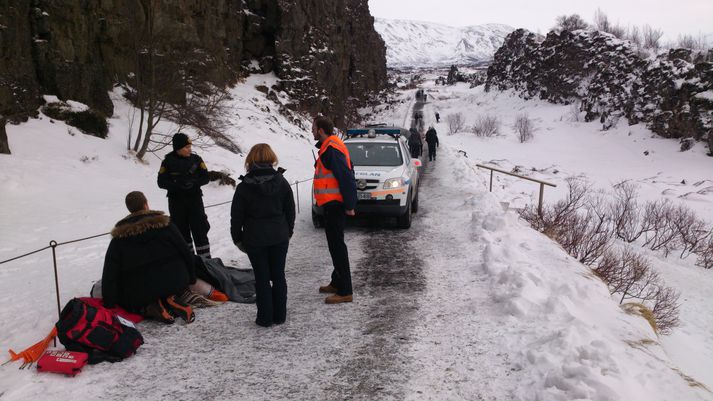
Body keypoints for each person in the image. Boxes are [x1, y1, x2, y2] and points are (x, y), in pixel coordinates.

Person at [102, 191, 195, 324]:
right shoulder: (166, 225)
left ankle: (151, 307)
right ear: (146, 204)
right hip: (176, 281)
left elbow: (109, 273)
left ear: (129, 209)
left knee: (132, 296)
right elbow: (186, 252)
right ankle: (171, 299)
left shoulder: (119, 238)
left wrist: (109, 303)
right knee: (166, 283)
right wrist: (190, 279)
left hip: (141, 291)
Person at [230, 144, 295, 327]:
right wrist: (288, 231)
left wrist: (237, 238)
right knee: (278, 275)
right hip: (279, 235)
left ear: (250, 160)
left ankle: (265, 317)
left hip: (255, 238)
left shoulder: (244, 187)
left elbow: (237, 216)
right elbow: (290, 209)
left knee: (262, 277)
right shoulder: (281, 182)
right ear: (271, 158)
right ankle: (280, 315)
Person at [312, 116, 357, 304]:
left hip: (335, 205)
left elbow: (345, 176)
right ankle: (337, 282)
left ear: (321, 130)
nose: (312, 131)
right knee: (334, 245)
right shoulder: (329, 146)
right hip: (331, 204)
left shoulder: (331, 147)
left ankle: (345, 290)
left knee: (338, 247)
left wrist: (349, 205)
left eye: (313, 128)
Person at [157, 132, 212, 258]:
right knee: (182, 234)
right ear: (178, 148)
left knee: (200, 232)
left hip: (195, 201)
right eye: (186, 147)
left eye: (190, 147)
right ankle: (189, 262)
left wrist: (193, 183)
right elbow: (161, 182)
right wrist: (177, 185)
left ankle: (207, 263)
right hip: (177, 203)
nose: (190, 149)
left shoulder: (197, 160)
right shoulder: (167, 162)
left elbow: (206, 177)